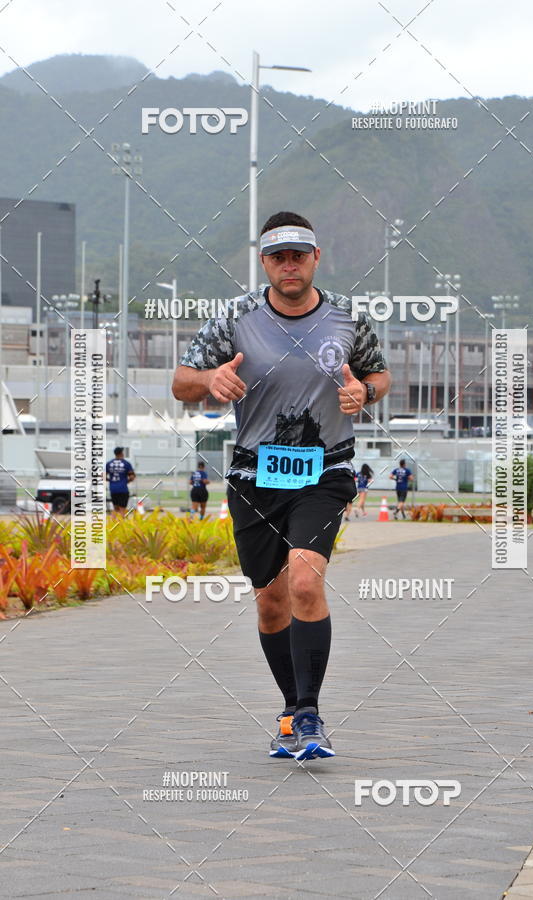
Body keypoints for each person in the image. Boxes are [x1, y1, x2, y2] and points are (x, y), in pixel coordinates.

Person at [173, 211, 391, 760]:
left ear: (316, 258)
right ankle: (293, 713)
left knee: (303, 582)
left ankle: (311, 712)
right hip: (253, 476)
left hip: (325, 472)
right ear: (264, 262)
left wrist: (364, 392)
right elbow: (180, 383)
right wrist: (210, 379)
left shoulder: (346, 318)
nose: (289, 265)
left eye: (299, 255)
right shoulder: (235, 319)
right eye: (278, 256)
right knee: (271, 602)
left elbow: (379, 375)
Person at [105, 447, 135, 516]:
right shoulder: (126, 463)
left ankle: (112, 524)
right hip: (123, 489)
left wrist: (110, 480)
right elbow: (132, 476)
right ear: (121, 453)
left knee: (115, 508)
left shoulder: (109, 463)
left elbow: (103, 476)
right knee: (122, 509)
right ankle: (121, 525)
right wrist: (126, 481)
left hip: (113, 489)